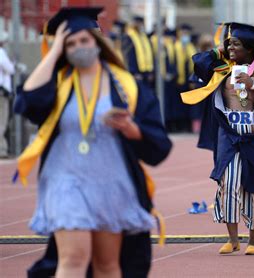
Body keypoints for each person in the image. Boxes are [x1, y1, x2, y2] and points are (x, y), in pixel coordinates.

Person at [14, 7, 172, 277]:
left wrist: (132, 130)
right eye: (71, 43)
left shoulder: (126, 87)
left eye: (84, 40)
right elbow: (27, 102)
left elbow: (158, 144)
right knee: (73, 259)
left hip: (111, 184)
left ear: (98, 42)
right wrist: (54, 52)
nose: (79, 47)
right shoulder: (59, 83)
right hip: (66, 182)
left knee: (107, 264)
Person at [181, 22, 254, 255]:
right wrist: (219, 49)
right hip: (229, 137)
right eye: (229, 45)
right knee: (228, 185)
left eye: (236, 45)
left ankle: (253, 241)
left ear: (250, 49)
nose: (231, 49)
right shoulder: (222, 69)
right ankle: (232, 239)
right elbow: (198, 63)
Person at [123, 15, 155, 89]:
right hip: (137, 73)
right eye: (137, 23)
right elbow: (129, 56)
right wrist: (134, 72)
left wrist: (151, 72)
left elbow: (150, 54)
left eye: (140, 23)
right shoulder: (128, 36)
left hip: (147, 72)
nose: (139, 25)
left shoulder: (144, 37)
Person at [0, 30, 14, 158]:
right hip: (1, 92)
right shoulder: (1, 52)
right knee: (2, 120)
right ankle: (1, 150)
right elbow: (9, 68)